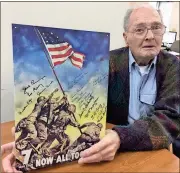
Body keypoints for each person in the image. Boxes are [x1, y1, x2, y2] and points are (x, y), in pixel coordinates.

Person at [1, 4, 180, 171]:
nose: (150, 36)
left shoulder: (174, 66)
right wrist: (25, 140)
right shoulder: (108, 62)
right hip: (111, 151)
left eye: (156, 27)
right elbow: (84, 102)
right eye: (140, 29)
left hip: (151, 148)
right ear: (126, 37)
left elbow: (170, 120)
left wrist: (121, 137)